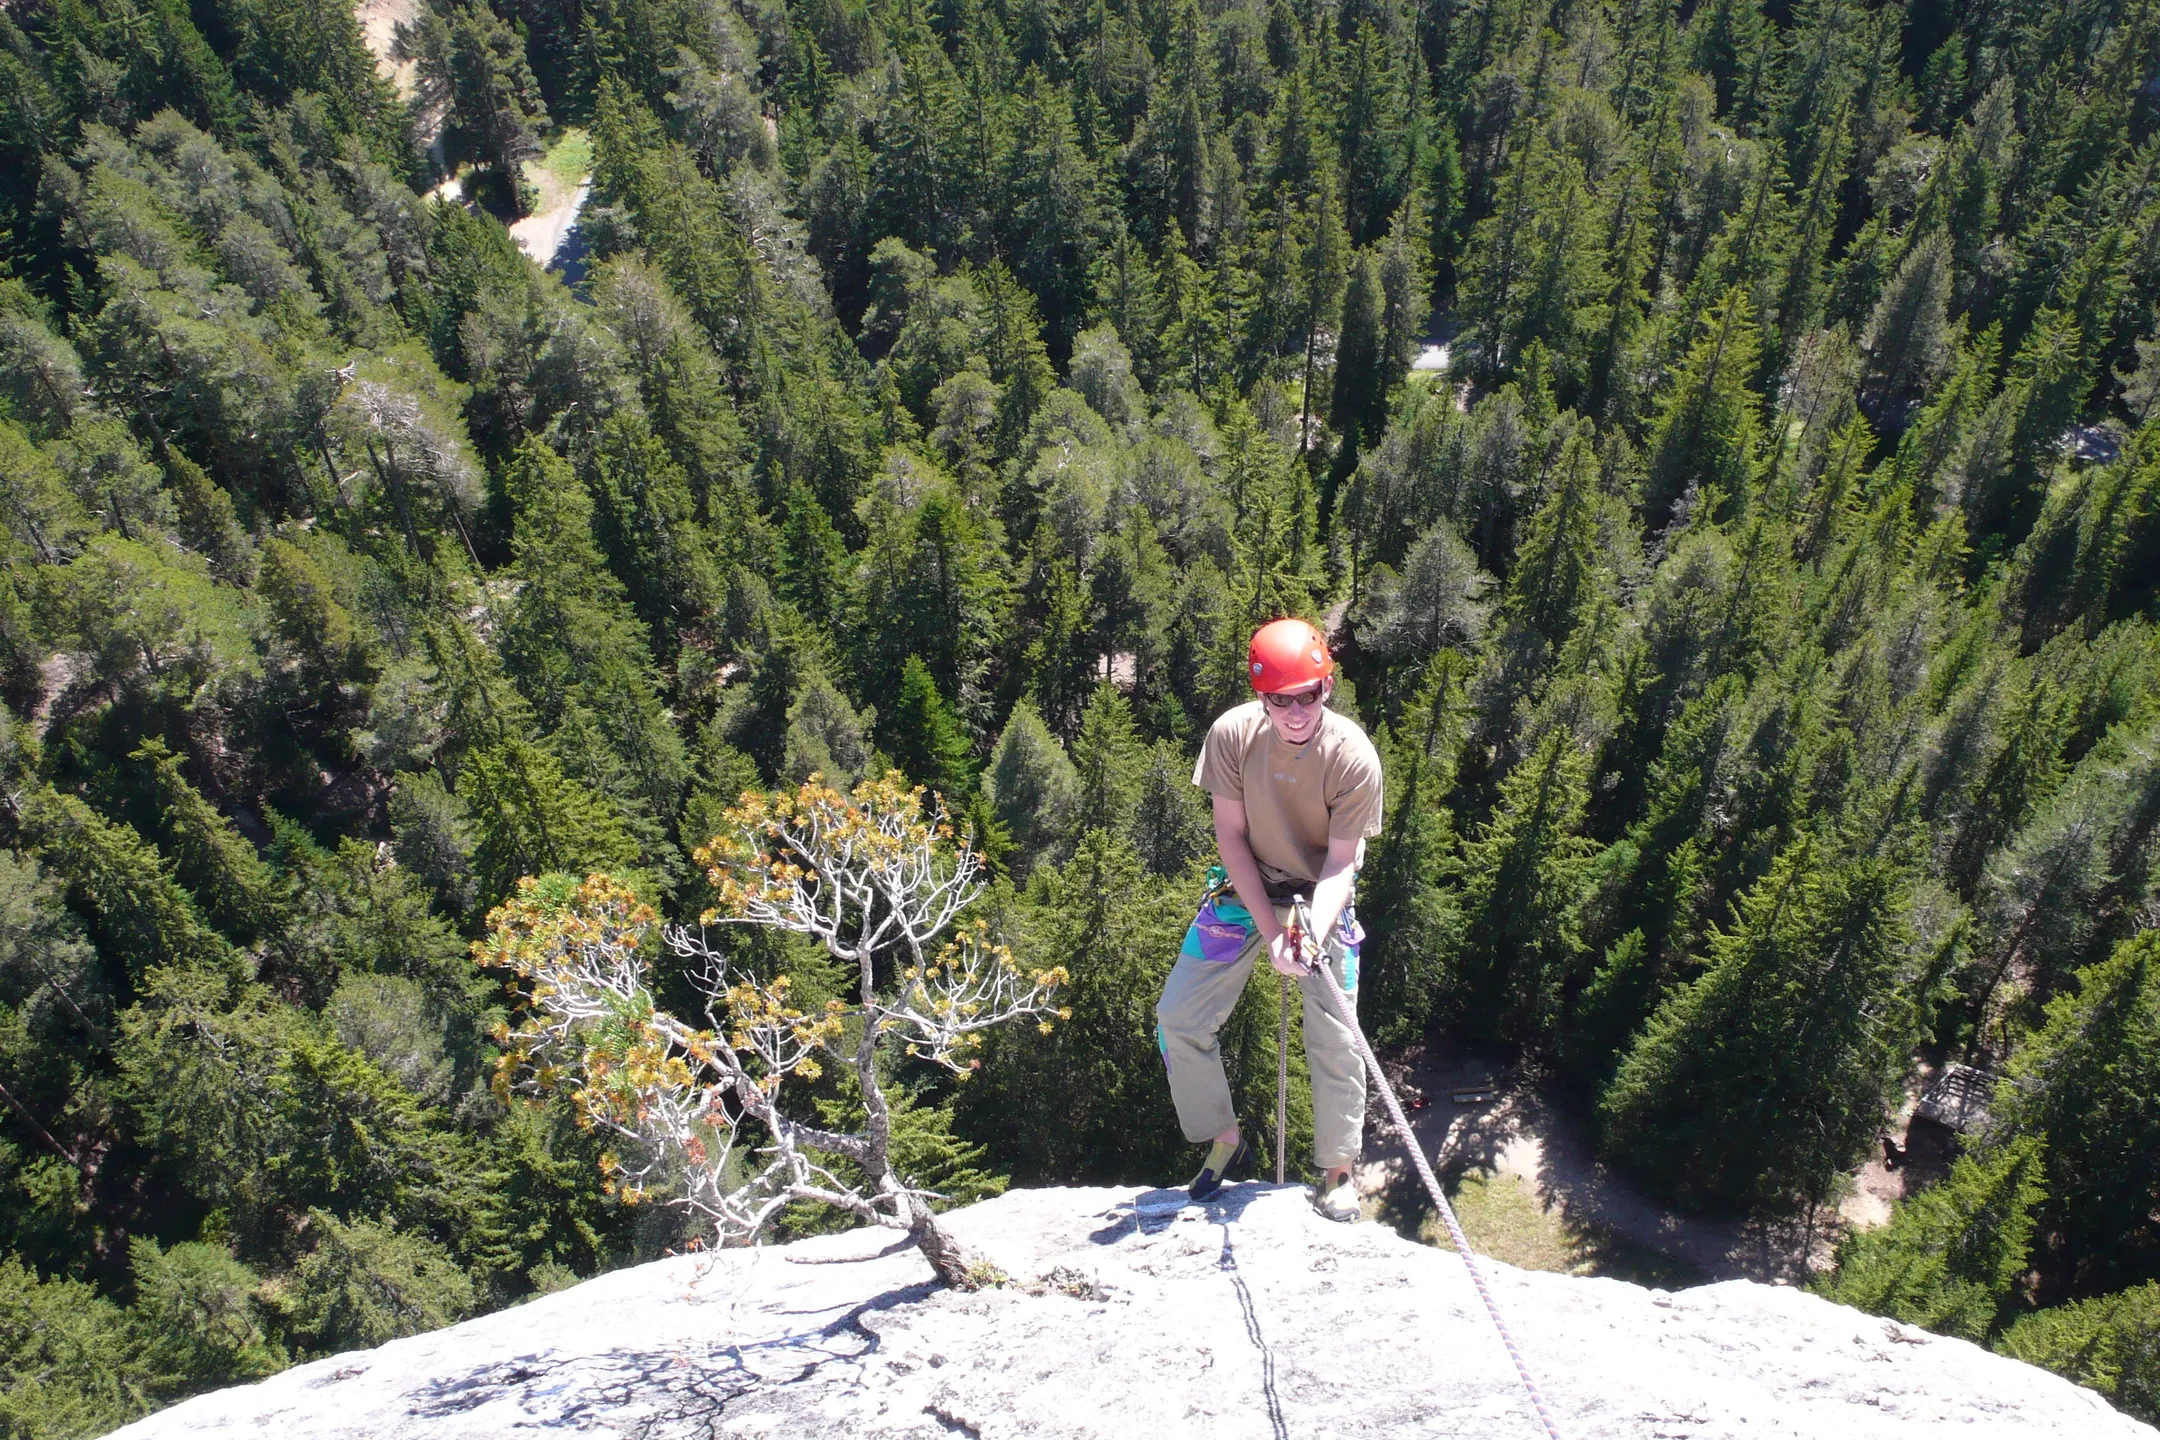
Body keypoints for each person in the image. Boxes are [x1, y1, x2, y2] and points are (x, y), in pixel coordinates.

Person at [1155, 618, 1383, 1221]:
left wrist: (1305, 932)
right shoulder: (1233, 736)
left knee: (1337, 1032)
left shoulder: (1352, 756)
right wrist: (1272, 930)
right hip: (1246, 889)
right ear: (1261, 697)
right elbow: (1231, 837)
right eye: (1280, 700)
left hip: (1321, 896)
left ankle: (1337, 1170)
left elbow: (1341, 862)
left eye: (1307, 696)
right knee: (1178, 1017)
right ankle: (1222, 1137)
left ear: (1327, 687)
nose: (1296, 712)